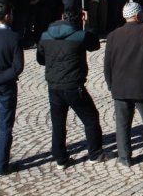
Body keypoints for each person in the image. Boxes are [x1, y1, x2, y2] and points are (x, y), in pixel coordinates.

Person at [37, 9, 109, 168]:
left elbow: (40, 60)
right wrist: (88, 25)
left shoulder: (45, 36)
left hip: (54, 86)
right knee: (90, 118)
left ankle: (60, 158)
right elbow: (95, 45)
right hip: (73, 86)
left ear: (62, 17)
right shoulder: (79, 36)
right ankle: (95, 153)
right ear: (79, 20)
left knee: (58, 123)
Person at [104, 3, 143, 167]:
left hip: (120, 88)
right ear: (138, 16)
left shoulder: (113, 35)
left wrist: (111, 85)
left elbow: (107, 65)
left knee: (122, 124)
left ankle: (124, 156)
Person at [0, 3, 23, 175]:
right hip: (6, 87)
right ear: (7, 16)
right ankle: (0, 166)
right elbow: (17, 67)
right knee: (5, 127)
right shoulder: (14, 37)